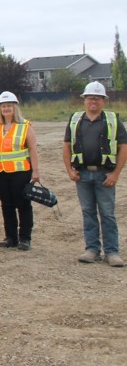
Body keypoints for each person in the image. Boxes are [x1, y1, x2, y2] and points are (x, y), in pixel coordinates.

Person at [63, 81, 126, 267]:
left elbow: (124, 148)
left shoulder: (113, 120)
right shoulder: (75, 120)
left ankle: (112, 252)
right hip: (82, 175)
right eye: (90, 98)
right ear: (84, 100)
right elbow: (66, 146)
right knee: (88, 212)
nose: (93, 101)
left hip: (104, 175)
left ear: (104, 101)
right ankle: (92, 249)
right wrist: (69, 170)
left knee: (107, 214)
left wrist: (115, 174)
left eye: (98, 98)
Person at [0, 91, 40, 251]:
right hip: (0, 171)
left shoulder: (25, 126)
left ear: (15, 107)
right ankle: (10, 237)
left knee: (23, 204)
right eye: (3, 106)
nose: (6, 109)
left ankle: (25, 238)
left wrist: (36, 171)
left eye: (9, 106)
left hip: (20, 171)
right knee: (6, 205)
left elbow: (33, 149)